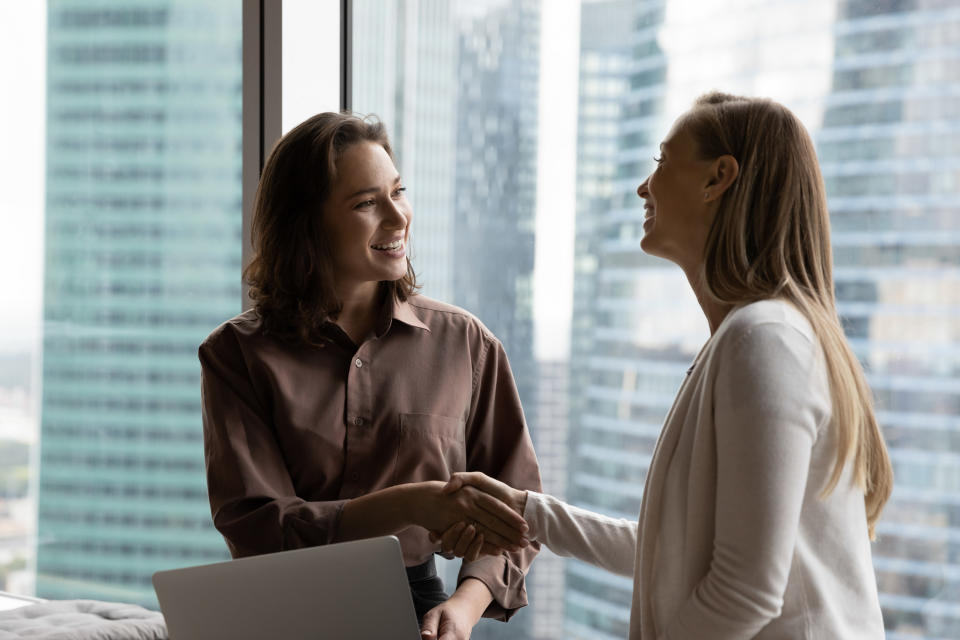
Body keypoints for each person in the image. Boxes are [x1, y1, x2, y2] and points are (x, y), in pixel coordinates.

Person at [434, 92, 893, 639]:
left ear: (717, 178)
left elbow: (746, 589)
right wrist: (527, 513)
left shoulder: (764, 338)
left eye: (662, 161)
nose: (644, 186)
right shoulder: (752, 338)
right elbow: (672, 552)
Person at [198, 112, 541, 640]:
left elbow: (520, 511)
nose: (397, 216)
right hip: (280, 614)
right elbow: (258, 527)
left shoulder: (465, 344)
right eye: (365, 203)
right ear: (306, 225)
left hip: (420, 612)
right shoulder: (236, 355)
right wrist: (408, 504)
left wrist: (465, 605)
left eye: (398, 192)